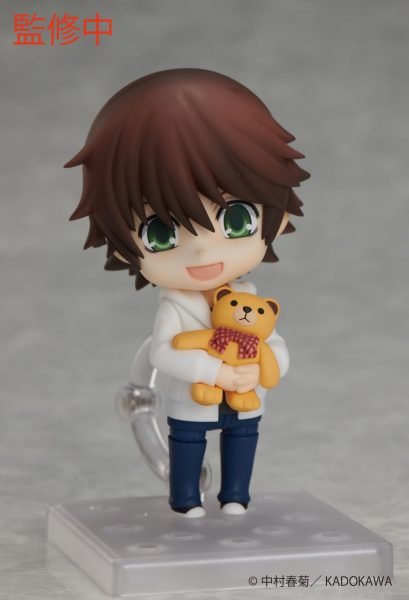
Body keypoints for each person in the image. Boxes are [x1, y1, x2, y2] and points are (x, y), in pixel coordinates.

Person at [65, 68, 309, 518]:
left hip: (247, 397)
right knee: (188, 445)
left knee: (243, 440)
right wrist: (215, 372)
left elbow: (274, 345)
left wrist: (261, 370)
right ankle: (185, 500)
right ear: (119, 244)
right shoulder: (175, 306)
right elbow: (163, 353)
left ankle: (236, 496)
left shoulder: (252, 300)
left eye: (236, 220)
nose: (200, 249)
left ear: (281, 219)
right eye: (160, 233)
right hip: (191, 399)